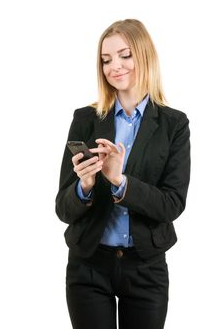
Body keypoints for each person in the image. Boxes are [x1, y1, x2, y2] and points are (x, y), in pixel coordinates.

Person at [55, 18, 190, 329]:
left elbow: (172, 204)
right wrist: (85, 186)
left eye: (124, 55)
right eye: (106, 59)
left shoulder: (174, 125)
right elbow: (63, 207)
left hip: (146, 267)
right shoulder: (86, 119)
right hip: (89, 266)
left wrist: (120, 181)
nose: (114, 66)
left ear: (144, 55)